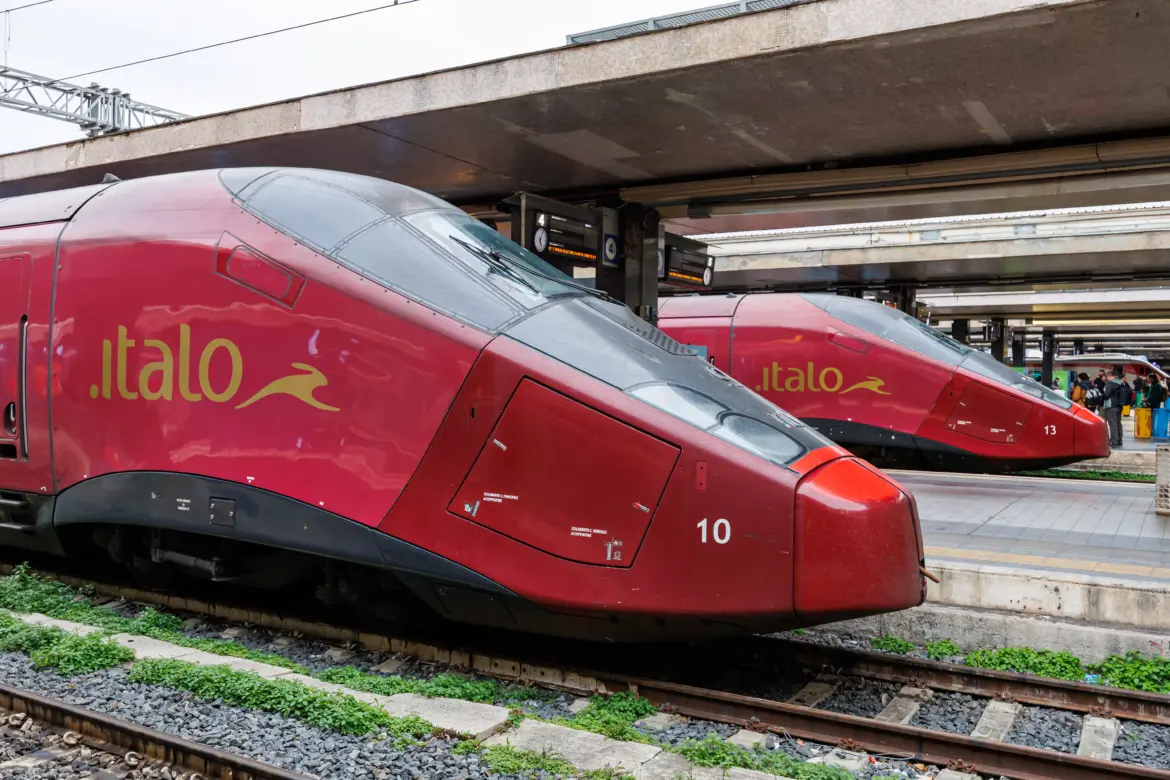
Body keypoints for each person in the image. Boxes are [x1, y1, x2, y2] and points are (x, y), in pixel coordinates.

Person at [1102, 368, 1132, 448]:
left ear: (1109, 376)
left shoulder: (1110, 384)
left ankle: (1113, 441)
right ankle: (1119, 440)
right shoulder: (1121, 383)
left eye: (1106, 377)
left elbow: (1106, 395)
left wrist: (1102, 395)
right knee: (1118, 423)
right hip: (1120, 406)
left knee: (1113, 424)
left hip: (1111, 406)